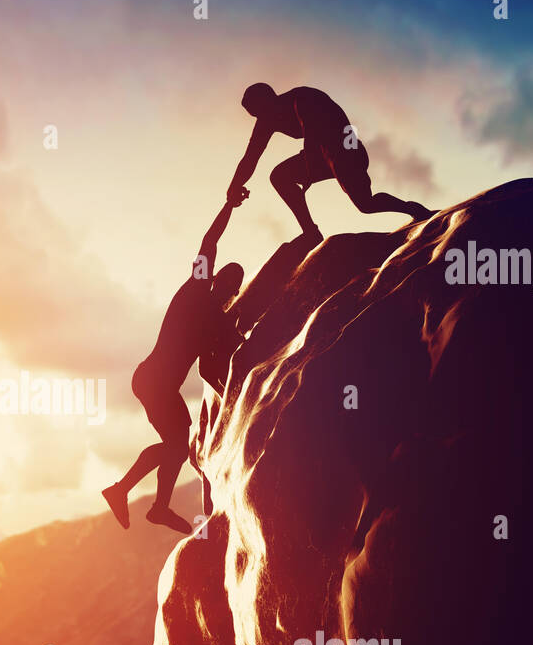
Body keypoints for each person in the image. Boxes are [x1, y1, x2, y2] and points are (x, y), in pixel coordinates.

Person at [103, 192, 248, 535]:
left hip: (158, 386)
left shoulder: (215, 321)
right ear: (218, 280)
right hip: (152, 380)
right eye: (231, 284)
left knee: (177, 447)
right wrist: (229, 205)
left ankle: (153, 505)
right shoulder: (197, 288)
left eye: (235, 289)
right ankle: (128, 493)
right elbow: (210, 240)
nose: (232, 292)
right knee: (177, 445)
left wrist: (234, 399)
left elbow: (209, 370)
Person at [228, 83, 433, 241]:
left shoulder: (302, 98)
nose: (261, 118)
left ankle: (413, 209)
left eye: (261, 111)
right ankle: (311, 232)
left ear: (270, 99)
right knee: (279, 176)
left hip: (347, 151)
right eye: (256, 115)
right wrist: (235, 186)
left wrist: (309, 170)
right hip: (322, 155)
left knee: (366, 204)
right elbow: (251, 157)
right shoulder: (266, 121)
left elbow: (312, 135)